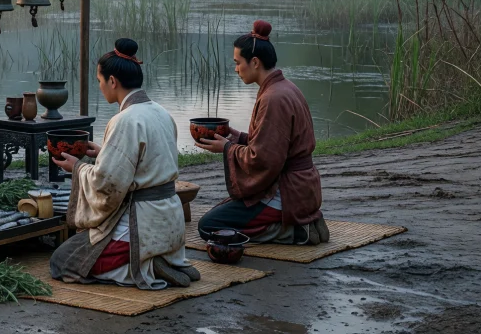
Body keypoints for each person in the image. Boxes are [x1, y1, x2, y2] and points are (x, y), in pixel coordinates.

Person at [50, 38, 201, 289]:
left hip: (141, 220)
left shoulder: (125, 120)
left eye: (100, 81)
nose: (100, 87)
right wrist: (102, 154)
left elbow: (105, 184)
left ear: (112, 81)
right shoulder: (160, 112)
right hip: (168, 218)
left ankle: (146, 268)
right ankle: (164, 260)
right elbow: (145, 164)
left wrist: (77, 167)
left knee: (63, 261)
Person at [195, 21, 330, 245]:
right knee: (223, 212)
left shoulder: (272, 98)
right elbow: (274, 145)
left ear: (255, 62)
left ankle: (294, 231)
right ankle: (302, 222)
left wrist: (226, 148)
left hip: (287, 192)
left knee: (209, 226)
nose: (236, 69)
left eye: (238, 63)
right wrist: (235, 136)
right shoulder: (285, 87)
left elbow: (263, 159)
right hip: (302, 187)